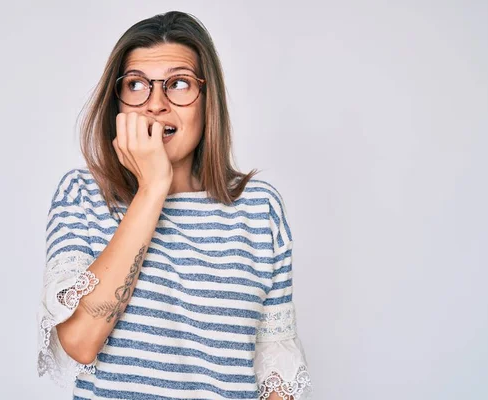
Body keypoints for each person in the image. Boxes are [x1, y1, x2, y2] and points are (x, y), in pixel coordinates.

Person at [36, 10, 312, 400]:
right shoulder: (82, 195)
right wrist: (152, 188)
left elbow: (274, 362)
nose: (156, 104)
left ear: (207, 101)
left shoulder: (259, 208)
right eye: (136, 85)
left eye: (178, 84)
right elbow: (81, 340)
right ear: (117, 103)